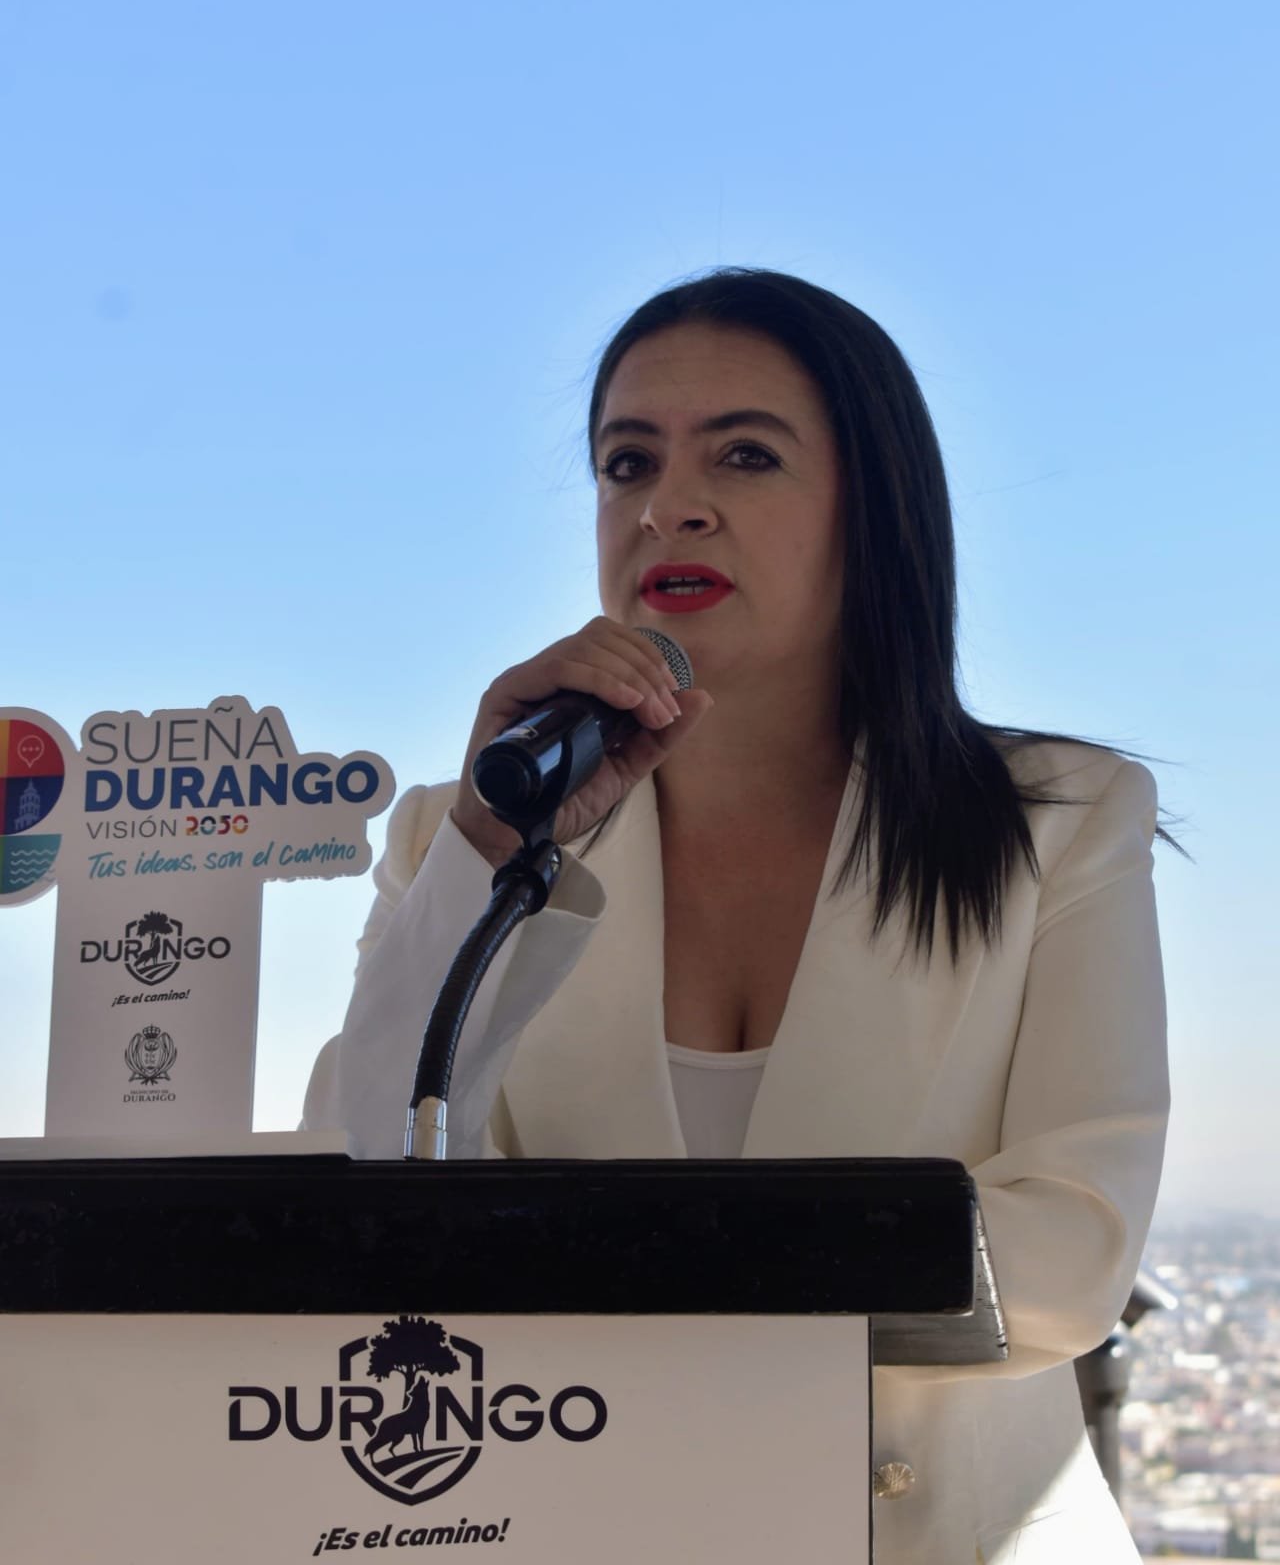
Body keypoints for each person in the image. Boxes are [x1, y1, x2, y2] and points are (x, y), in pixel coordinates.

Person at [303, 267, 1170, 1563]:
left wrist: (587, 1259)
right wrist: (490, 844)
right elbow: (356, 1204)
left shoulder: (1059, 819)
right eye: (627, 464)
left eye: (746, 456)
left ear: (875, 508)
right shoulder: (459, 833)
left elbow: (1070, 1256)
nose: (670, 507)